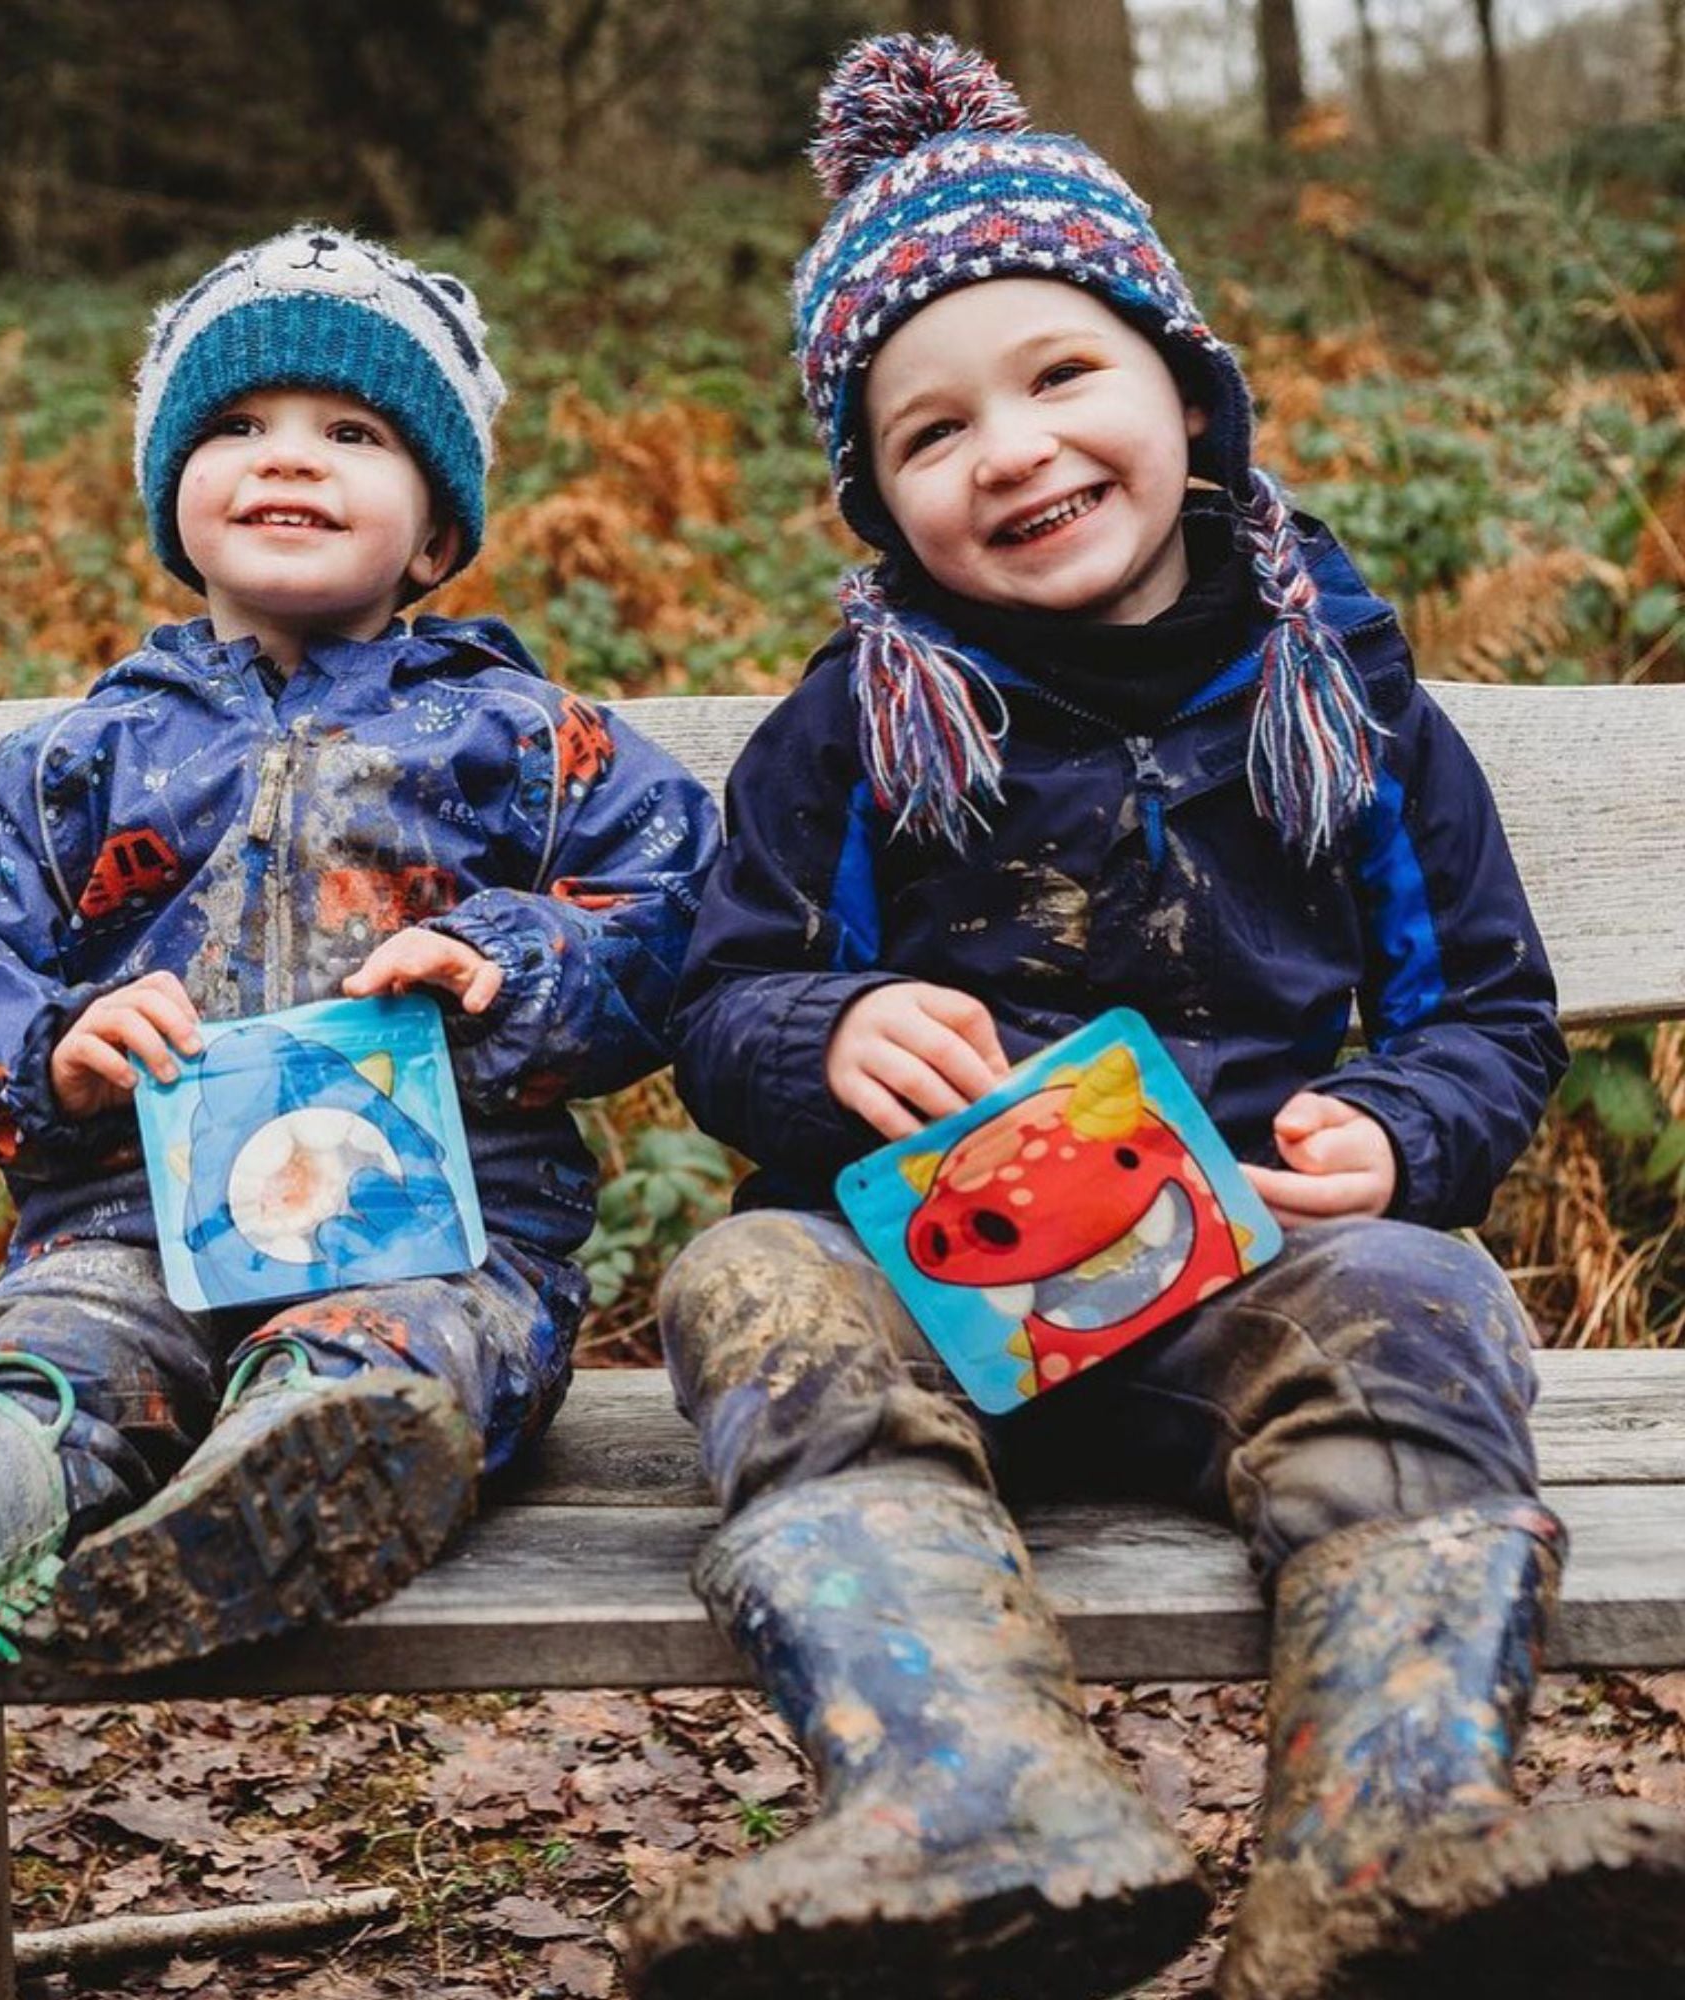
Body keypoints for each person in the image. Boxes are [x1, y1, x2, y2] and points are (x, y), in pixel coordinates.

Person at [624, 37, 1685, 2000]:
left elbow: (1485, 1008)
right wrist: (823, 1034)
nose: (1009, 450)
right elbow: (719, 993)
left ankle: (1389, 1839)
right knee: (748, 1273)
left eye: (1060, 377)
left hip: (1239, 1273)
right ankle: (968, 1796)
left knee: (1429, 1296)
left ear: (1186, 399)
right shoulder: (851, 731)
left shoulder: (1344, 701)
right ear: (875, 493)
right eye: (929, 430)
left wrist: (1398, 1133)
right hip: (925, 1283)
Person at [0, 223, 721, 1682]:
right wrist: (55, 1051)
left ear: (434, 531)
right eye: (236, 425)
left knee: (372, 1366)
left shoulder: (524, 739)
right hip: (130, 1227)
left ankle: (272, 1515)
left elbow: (679, 897)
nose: (286, 455)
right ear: (178, 502)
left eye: (350, 430)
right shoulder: (89, 754)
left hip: (440, 1233)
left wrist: (510, 960)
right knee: (41, 1367)